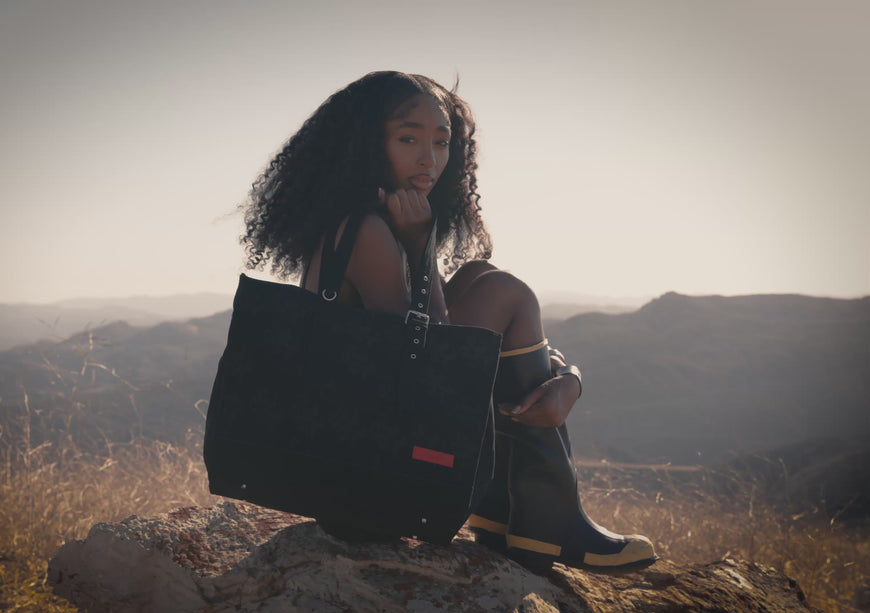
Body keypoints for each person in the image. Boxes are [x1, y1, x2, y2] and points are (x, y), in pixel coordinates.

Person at [238, 70, 655, 573]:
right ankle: (546, 520)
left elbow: (444, 348)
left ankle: (506, 515)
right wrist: (422, 244)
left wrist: (565, 374)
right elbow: (437, 364)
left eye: (441, 142)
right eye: (408, 138)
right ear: (366, 143)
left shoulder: (373, 219)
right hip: (368, 487)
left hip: (370, 468)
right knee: (506, 294)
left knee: (481, 276)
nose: (429, 159)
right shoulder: (367, 231)